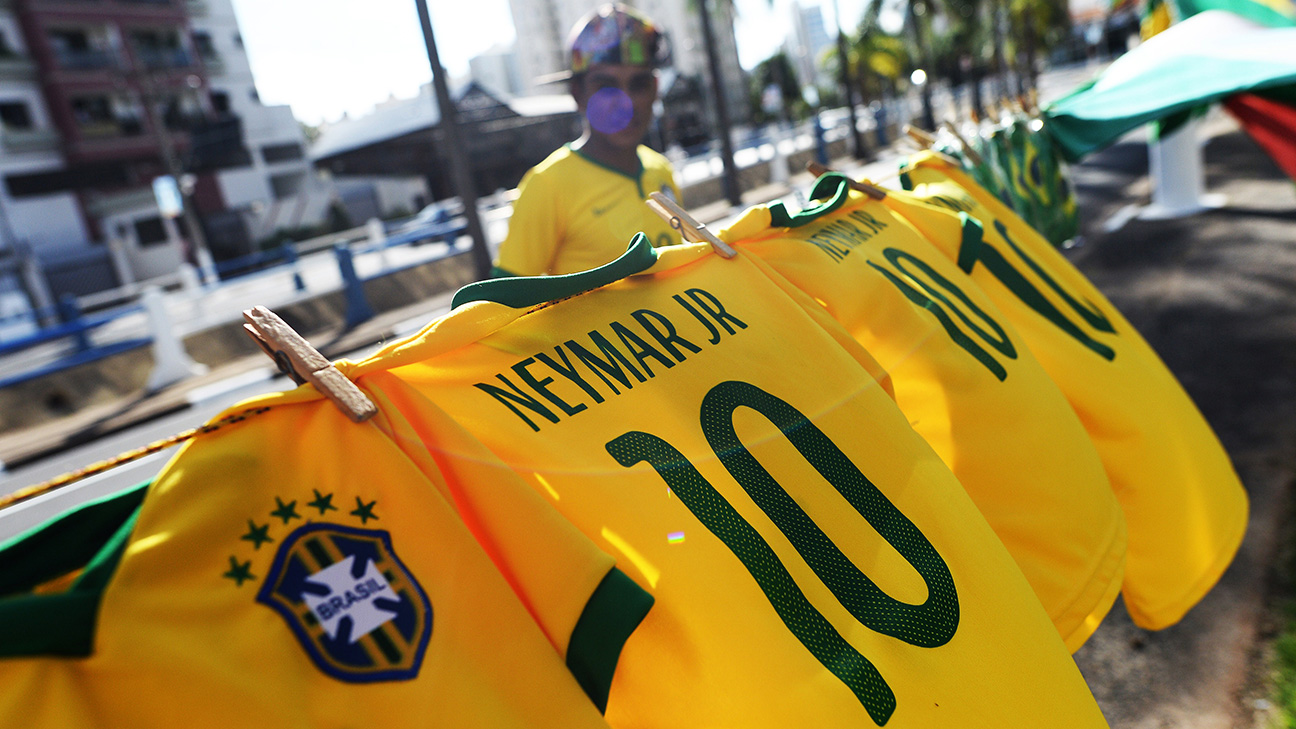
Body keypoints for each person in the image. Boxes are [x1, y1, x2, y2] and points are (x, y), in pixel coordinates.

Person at [492, 4, 684, 278]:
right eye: (605, 87)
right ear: (577, 94)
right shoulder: (547, 186)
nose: (624, 103)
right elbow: (502, 307)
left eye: (639, 84)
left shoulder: (661, 169)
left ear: (655, 90)